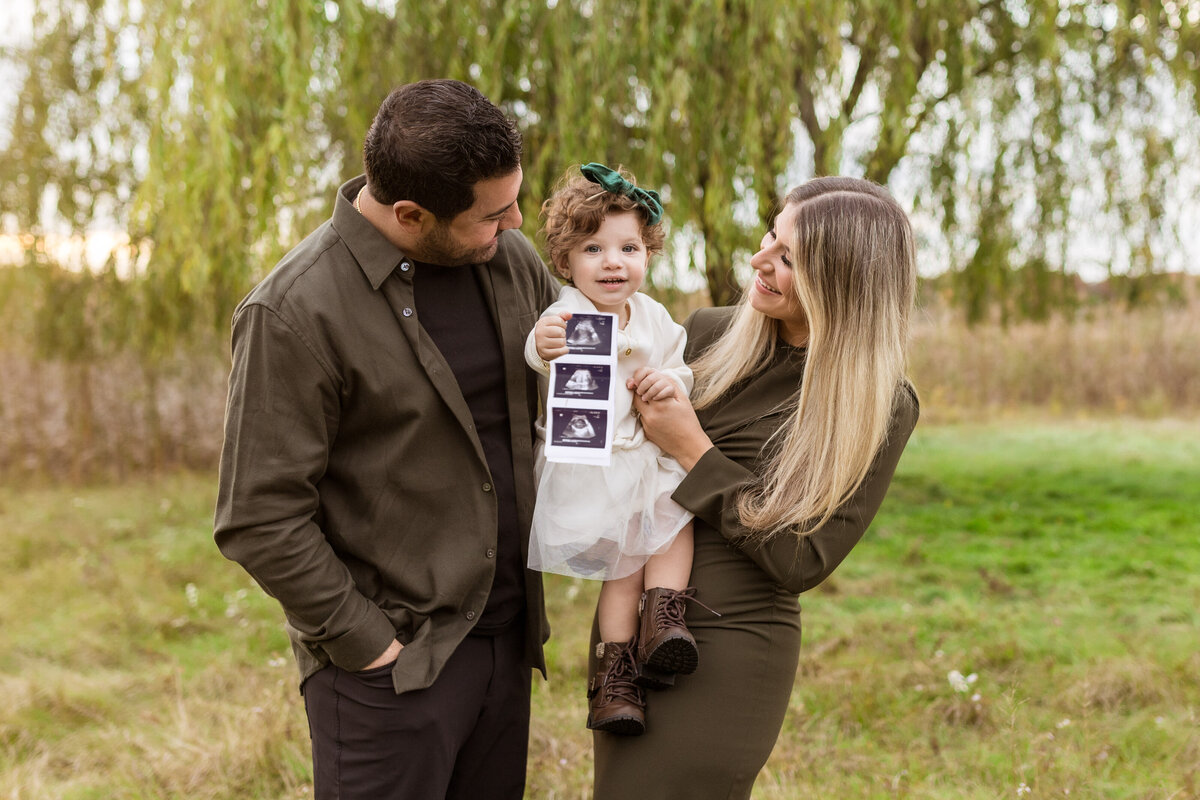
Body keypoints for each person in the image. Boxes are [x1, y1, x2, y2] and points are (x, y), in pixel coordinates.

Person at [213, 79, 560, 800]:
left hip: (506, 644)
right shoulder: (293, 311)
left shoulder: (511, 260)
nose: (518, 221)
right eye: (493, 214)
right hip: (389, 675)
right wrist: (368, 646)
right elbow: (258, 516)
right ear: (411, 213)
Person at [590, 176, 921, 798]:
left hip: (732, 644)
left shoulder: (878, 404)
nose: (758, 259)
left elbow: (801, 558)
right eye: (773, 233)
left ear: (842, 281)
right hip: (630, 631)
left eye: (788, 258)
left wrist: (691, 447)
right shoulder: (707, 335)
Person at [525, 163, 702, 736]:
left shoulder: (653, 316)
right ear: (567, 262)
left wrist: (671, 385)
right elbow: (539, 349)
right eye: (594, 249)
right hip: (595, 465)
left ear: (647, 254)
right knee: (622, 569)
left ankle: (665, 618)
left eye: (629, 247)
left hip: (649, 461)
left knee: (676, 525)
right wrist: (544, 345)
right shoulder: (566, 313)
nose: (612, 262)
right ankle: (615, 675)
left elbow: (680, 368)